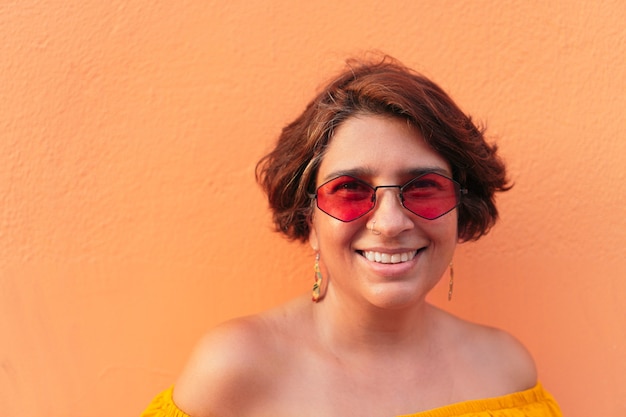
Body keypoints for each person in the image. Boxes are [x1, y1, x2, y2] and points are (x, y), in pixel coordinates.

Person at [141, 55, 563, 417]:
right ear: (309, 220)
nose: (391, 222)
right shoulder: (234, 368)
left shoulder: (505, 376)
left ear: (460, 208)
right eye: (350, 190)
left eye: (422, 188)